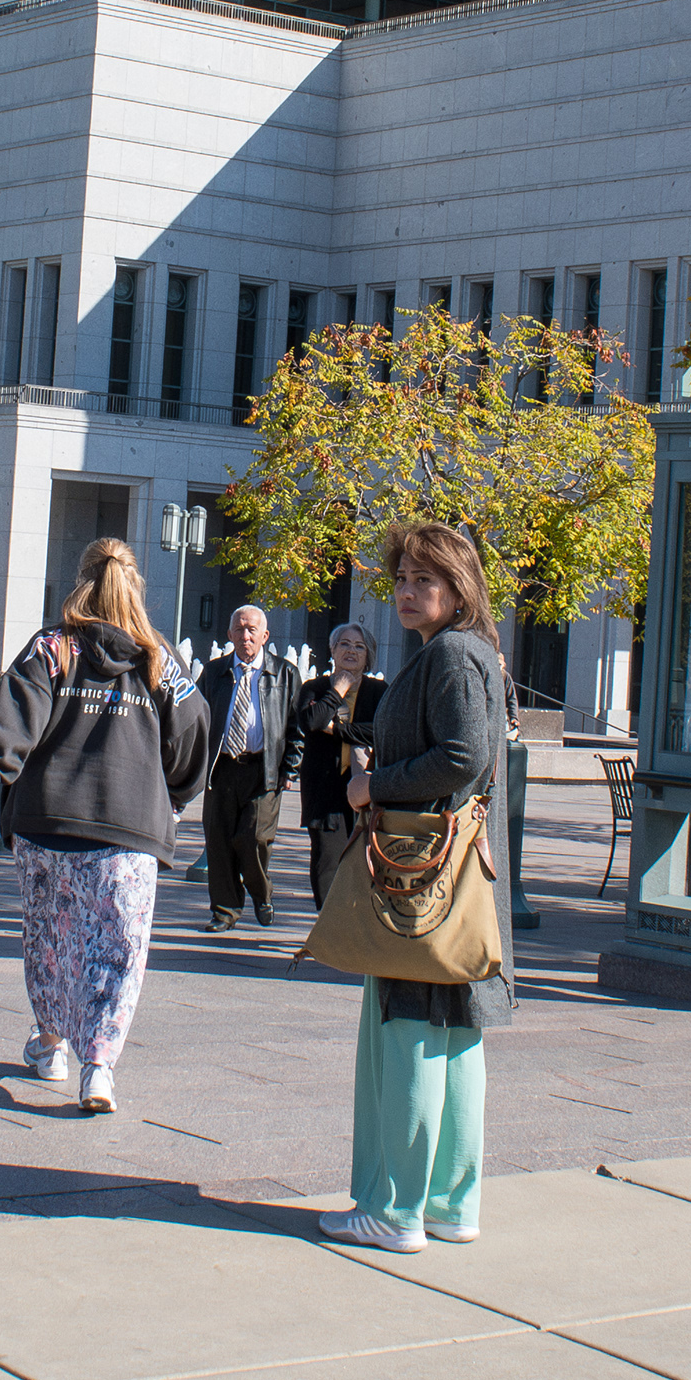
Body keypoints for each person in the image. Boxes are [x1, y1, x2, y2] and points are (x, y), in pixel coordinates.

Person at [0, 539, 215, 1114]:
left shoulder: (52, 647)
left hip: (46, 817)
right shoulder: (161, 659)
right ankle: (98, 1066)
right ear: (136, 587)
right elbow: (196, 732)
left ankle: (51, 1042)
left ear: (80, 581)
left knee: (50, 938)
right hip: (127, 825)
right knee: (117, 947)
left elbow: (14, 715)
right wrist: (171, 795)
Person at [321, 526, 515, 1254]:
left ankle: (396, 1210)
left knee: (407, 1035)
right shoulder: (461, 653)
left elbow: (463, 756)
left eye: (423, 581)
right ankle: (447, 1205)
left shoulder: (454, 655)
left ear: (458, 588)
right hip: (450, 877)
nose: (406, 591)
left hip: (424, 877)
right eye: (401, 578)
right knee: (455, 1034)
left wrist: (375, 783)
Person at [195, 604, 300, 931]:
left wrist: (290, 769)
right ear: (229, 635)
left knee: (253, 838)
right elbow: (197, 721)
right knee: (219, 839)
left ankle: (261, 892)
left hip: (263, 769)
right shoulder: (213, 673)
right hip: (222, 768)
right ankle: (224, 911)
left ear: (265, 635)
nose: (245, 635)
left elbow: (296, 725)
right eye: (239, 629)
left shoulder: (284, 674)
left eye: (252, 629)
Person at [292, 623, 387, 906]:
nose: (351, 651)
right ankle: (327, 932)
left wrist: (340, 731)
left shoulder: (380, 691)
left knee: (366, 863)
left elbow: (381, 731)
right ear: (332, 650)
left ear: (368, 656)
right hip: (325, 790)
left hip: (369, 789)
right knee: (327, 864)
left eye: (359, 647)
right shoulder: (315, 688)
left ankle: (356, 933)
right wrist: (338, 690)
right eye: (344, 644)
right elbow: (312, 722)